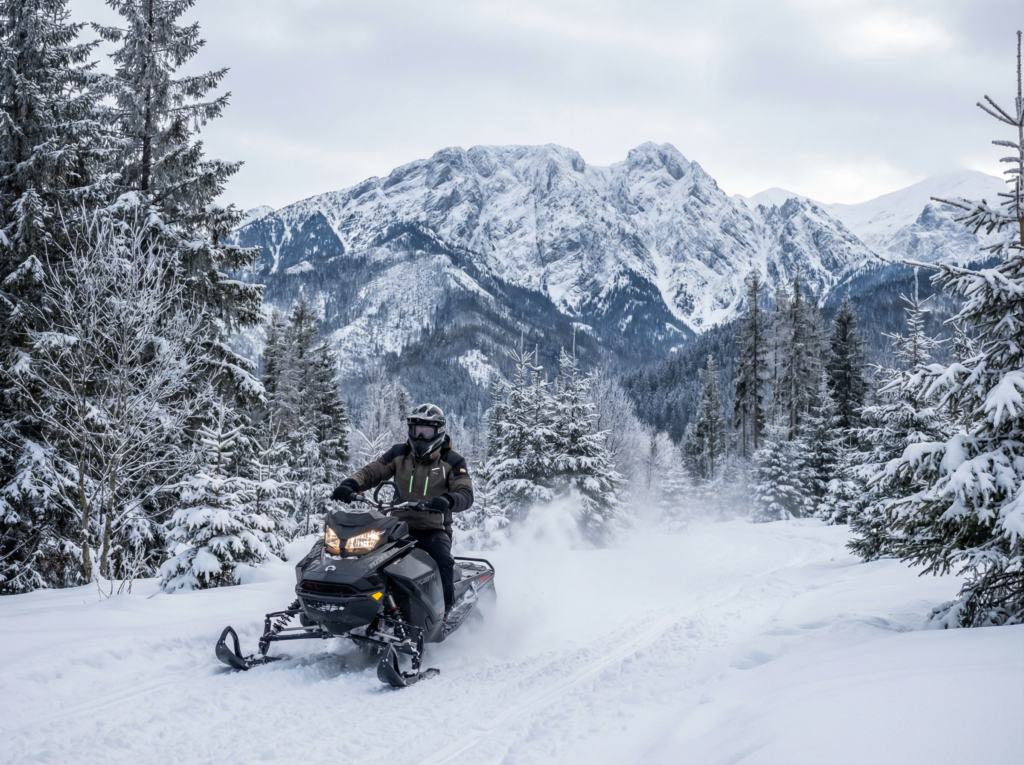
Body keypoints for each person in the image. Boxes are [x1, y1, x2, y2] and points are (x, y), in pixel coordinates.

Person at [331, 403, 473, 614]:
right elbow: (372, 472)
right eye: (417, 430)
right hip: (397, 527)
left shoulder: (451, 461)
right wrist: (350, 484)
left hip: (433, 529)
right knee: (366, 559)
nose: (421, 437)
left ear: (439, 432)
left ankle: (446, 613)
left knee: (442, 562)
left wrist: (447, 500)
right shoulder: (400, 453)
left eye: (427, 432)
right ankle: (362, 607)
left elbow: (465, 493)